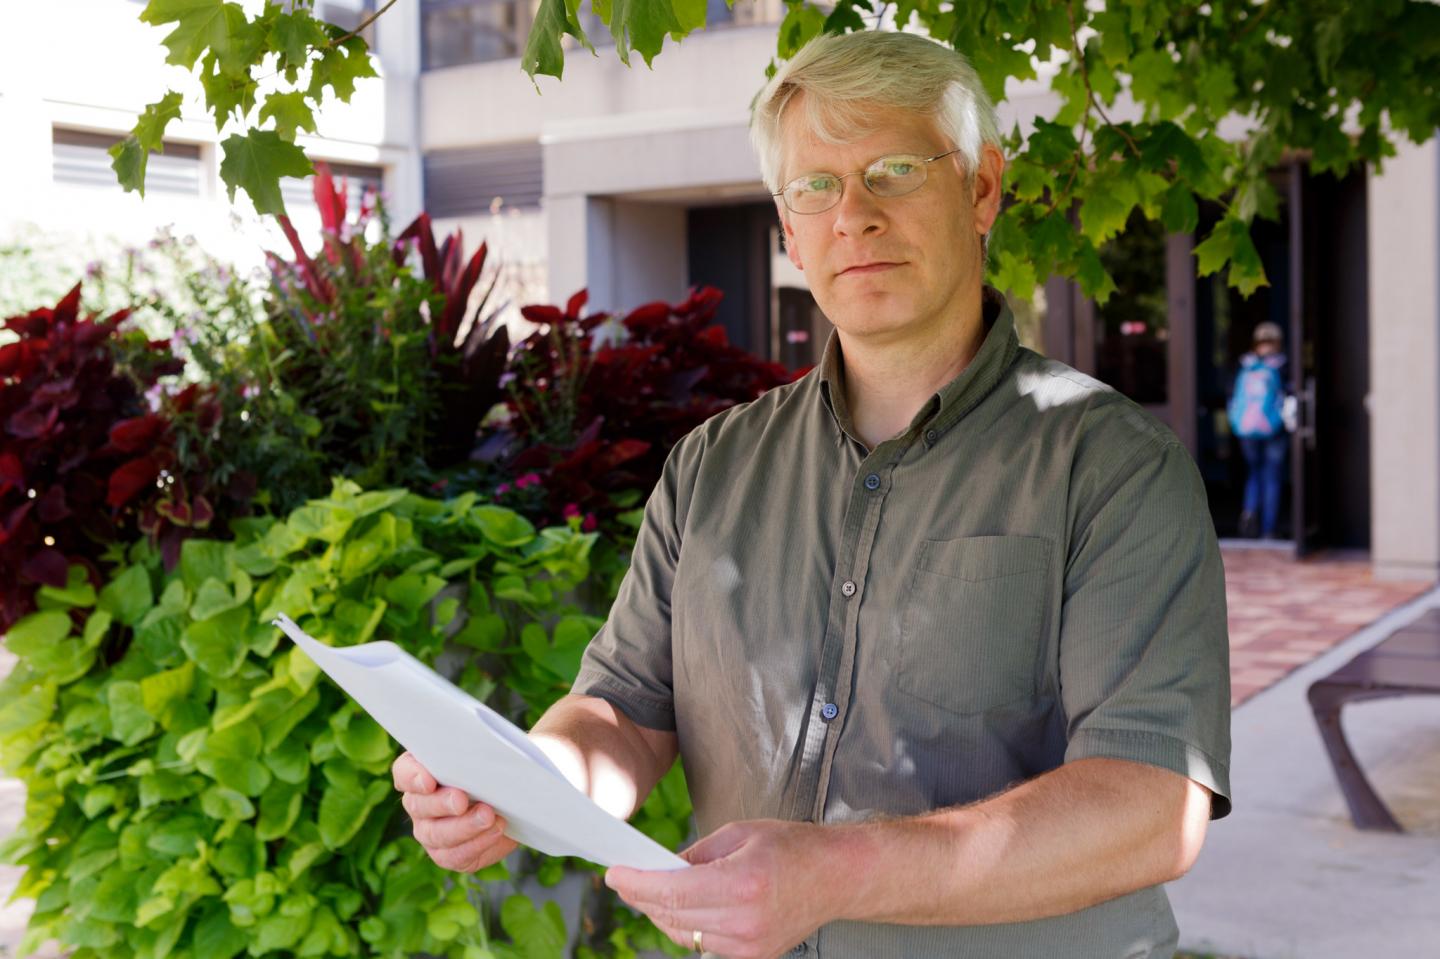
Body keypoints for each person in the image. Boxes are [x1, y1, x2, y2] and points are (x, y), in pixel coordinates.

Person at [393, 30, 1231, 959]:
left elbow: (1153, 804)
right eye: (815, 187)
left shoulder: (1114, 467)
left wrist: (837, 869)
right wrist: (521, 783)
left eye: (896, 169)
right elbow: (624, 707)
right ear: (787, 227)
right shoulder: (713, 464)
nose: (854, 215)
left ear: (983, 187)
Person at [1227, 322, 1290, 539]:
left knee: (1253, 473)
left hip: (1247, 428)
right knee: (1272, 476)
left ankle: (1249, 517)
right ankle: (1268, 528)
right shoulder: (1282, 365)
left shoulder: (1245, 364)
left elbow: (1232, 394)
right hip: (1274, 428)